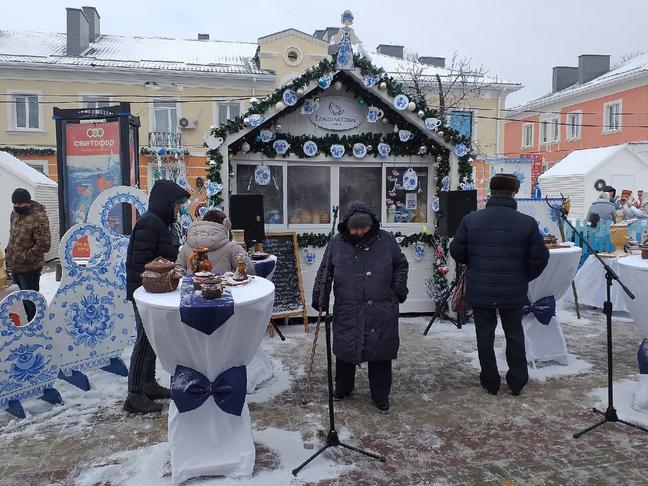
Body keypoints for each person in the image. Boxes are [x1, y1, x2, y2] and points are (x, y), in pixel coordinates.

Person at [450, 174, 549, 396]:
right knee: (514, 333)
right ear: (514, 193)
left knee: (484, 335)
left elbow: (457, 251)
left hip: (481, 288)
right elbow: (540, 258)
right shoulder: (527, 222)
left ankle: (490, 381)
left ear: (491, 192)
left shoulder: (471, 220)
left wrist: (476, 264)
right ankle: (517, 381)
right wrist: (523, 276)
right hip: (513, 290)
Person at [312, 201, 409, 414]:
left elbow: (401, 265)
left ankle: (380, 395)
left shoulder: (387, 241)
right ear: (346, 226)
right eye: (354, 228)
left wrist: (397, 289)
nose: (358, 232)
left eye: (363, 227)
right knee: (346, 349)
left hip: (382, 306)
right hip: (348, 305)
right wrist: (320, 295)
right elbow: (325, 271)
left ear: (371, 225)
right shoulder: (336, 243)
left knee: (380, 353)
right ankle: (343, 388)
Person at [124, 180, 190, 414]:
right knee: (143, 340)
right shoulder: (150, 222)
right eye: (177, 205)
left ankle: (148, 384)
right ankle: (134, 394)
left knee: (151, 339)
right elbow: (140, 262)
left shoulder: (159, 222)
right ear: (166, 203)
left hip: (152, 290)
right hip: (144, 292)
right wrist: (167, 268)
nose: (179, 210)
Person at [5, 188, 51, 323]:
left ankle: (35, 326)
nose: (16, 206)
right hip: (15, 266)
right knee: (19, 300)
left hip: (29, 268)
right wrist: (9, 251)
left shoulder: (39, 217)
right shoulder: (14, 214)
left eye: (19, 204)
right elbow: (14, 236)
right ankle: (24, 325)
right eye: (14, 203)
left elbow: (44, 244)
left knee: (30, 301)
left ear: (28, 203)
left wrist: (25, 257)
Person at [175, 209, 254, 276]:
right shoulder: (232, 247)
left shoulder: (187, 245)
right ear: (225, 224)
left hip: (193, 290)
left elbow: (178, 271)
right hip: (223, 291)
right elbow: (248, 269)